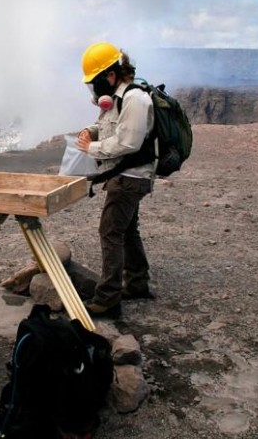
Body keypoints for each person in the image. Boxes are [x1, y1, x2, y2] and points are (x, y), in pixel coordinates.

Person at [76, 41, 156, 319]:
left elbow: (128, 142)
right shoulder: (119, 98)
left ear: (110, 75)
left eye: (95, 82)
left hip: (129, 178)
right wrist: (89, 131)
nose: (95, 89)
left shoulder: (135, 99)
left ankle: (107, 299)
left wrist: (92, 149)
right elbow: (108, 125)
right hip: (125, 176)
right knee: (127, 230)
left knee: (110, 231)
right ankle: (136, 284)